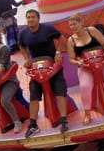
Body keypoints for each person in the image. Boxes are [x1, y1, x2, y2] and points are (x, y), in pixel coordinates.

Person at [19, 9, 68, 137]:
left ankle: (64, 120)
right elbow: (22, 46)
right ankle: (33, 124)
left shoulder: (48, 28)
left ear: (38, 19)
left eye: (33, 17)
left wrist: (58, 52)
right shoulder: (23, 33)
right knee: (34, 95)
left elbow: (60, 38)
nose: (30, 19)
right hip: (36, 68)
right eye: (28, 17)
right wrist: (26, 58)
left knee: (59, 91)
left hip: (52, 64)